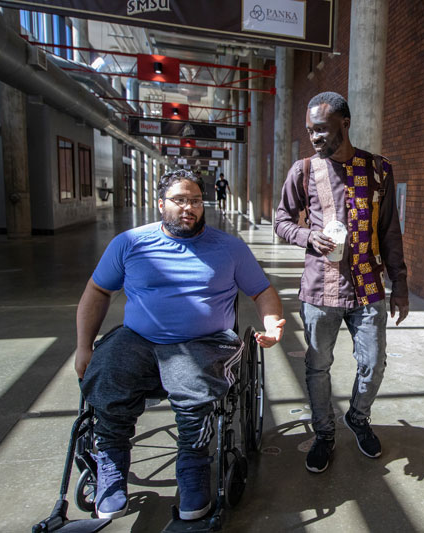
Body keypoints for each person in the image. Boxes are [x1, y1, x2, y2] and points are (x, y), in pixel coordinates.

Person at [75, 169, 285, 521]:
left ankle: (192, 465)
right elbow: (97, 291)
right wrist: (83, 346)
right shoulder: (130, 243)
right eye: (179, 200)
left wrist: (271, 324)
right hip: (139, 339)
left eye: (195, 201)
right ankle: (111, 463)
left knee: (193, 384)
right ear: (161, 204)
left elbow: (262, 291)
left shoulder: (229, 247)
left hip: (206, 342)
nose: (189, 207)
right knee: (107, 371)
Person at [275, 91, 409, 474]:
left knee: (373, 362)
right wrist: (306, 237)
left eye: (321, 130)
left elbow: (390, 232)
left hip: (368, 288)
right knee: (318, 366)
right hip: (321, 290)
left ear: (344, 124)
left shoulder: (379, 170)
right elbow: (282, 219)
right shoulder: (303, 171)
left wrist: (399, 285)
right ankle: (324, 434)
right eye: (309, 131)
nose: (314, 138)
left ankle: (359, 417)